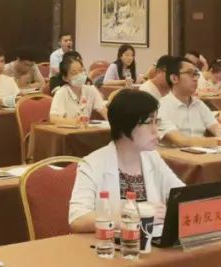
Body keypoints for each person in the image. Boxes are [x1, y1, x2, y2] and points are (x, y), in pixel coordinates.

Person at [68, 90, 185, 232]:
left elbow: (182, 196)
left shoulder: (152, 157)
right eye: (149, 122)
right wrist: (130, 216)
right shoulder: (93, 164)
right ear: (125, 126)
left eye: (156, 121)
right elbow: (78, 219)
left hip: (152, 240)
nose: (156, 131)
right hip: (111, 243)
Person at [158, 56, 221, 148]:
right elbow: (181, 141)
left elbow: (217, 128)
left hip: (202, 153)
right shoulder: (161, 107)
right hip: (174, 155)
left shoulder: (199, 104)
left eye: (196, 74)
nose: (196, 78)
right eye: (190, 73)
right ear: (174, 78)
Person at [50, 55, 107, 124]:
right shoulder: (61, 93)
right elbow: (53, 119)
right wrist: (74, 121)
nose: (79, 75)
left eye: (81, 70)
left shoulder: (91, 89)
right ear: (65, 78)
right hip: (68, 129)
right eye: (74, 73)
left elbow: (104, 111)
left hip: (86, 129)